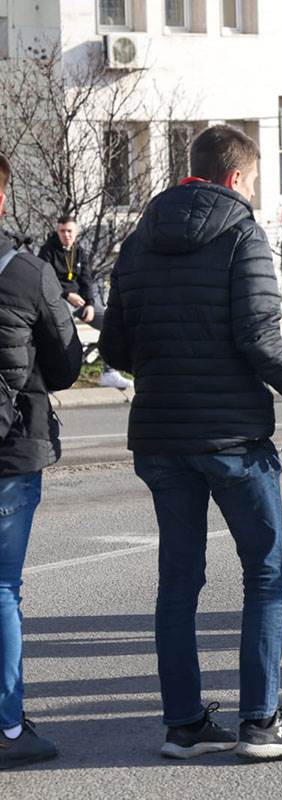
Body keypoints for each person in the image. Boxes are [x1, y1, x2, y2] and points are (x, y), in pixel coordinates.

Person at [100, 125, 282, 761]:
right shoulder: (241, 233)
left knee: (178, 580)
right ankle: (260, 722)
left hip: (160, 436)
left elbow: (115, 348)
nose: (253, 191)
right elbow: (260, 336)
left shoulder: (139, 237)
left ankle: (185, 726)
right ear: (236, 178)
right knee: (267, 572)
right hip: (232, 438)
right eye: (254, 180)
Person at [0, 152, 83, 770]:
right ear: (3, 199)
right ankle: (6, 727)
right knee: (1, 588)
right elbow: (64, 363)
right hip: (9, 446)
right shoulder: (26, 272)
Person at [37, 216, 132, 390]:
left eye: (69, 231)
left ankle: (109, 373)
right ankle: (63, 376)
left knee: (110, 322)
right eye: (62, 231)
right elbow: (45, 281)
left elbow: (86, 279)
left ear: (76, 232)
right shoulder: (47, 251)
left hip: (80, 301)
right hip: (58, 300)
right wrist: (66, 295)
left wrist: (89, 303)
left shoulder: (79, 251)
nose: (66, 235)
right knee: (64, 331)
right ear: (57, 231)